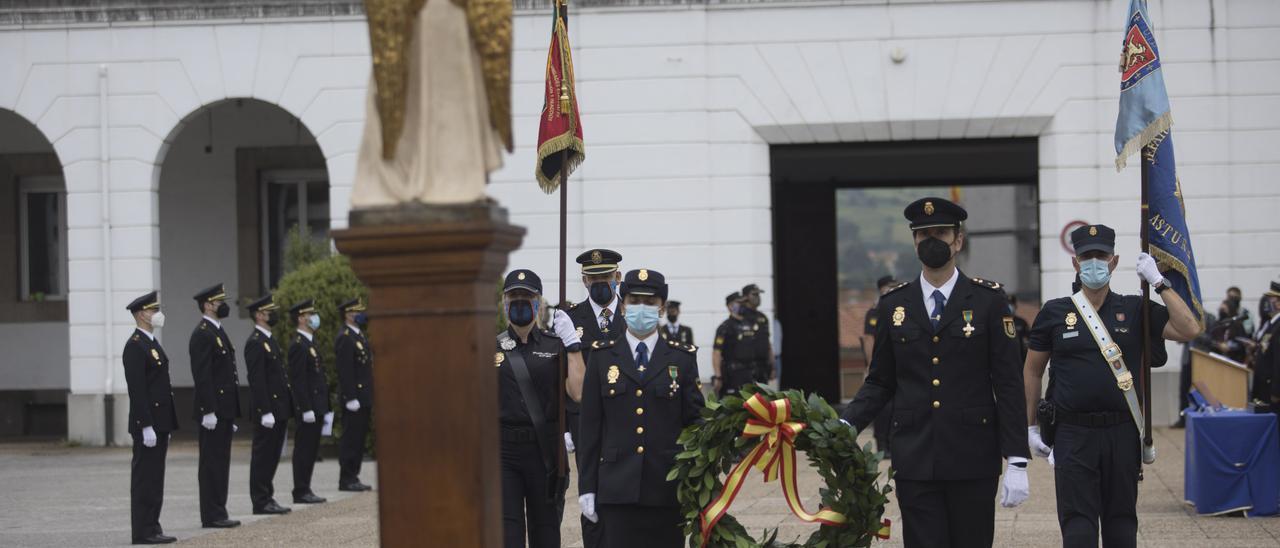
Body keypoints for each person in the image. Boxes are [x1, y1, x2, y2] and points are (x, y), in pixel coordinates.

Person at [841, 197, 1030, 548]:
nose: (932, 241)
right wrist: (846, 423)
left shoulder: (988, 301)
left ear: (958, 241)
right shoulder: (894, 305)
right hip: (915, 457)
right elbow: (881, 380)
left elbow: (1006, 383)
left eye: (941, 233)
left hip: (973, 455)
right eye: (923, 233)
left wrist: (1017, 457)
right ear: (913, 242)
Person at [1023, 224, 1200, 548]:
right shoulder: (1055, 312)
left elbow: (1189, 329)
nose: (1094, 263)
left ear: (1114, 261)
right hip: (1073, 433)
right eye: (1087, 256)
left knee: (1121, 524)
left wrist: (1159, 283)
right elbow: (1033, 370)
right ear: (1076, 263)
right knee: (1078, 526)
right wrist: (1031, 426)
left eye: (1101, 256)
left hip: (1121, 432)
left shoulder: (1134, 309)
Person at [578, 268, 704, 548]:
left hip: (667, 488)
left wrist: (700, 484)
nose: (641, 308)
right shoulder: (601, 356)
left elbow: (696, 425)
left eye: (650, 302)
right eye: (634, 301)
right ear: (622, 306)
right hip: (616, 488)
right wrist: (587, 486)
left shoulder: (682, 359)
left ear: (662, 308)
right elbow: (589, 428)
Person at [496, 269, 586, 548]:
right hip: (503, 454)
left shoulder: (555, 345)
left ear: (539, 303)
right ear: (504, 302)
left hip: (544, 452)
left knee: (545, 532)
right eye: (514, 296)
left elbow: (578, 392)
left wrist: (572, 346)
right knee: (506, 533)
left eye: (527, 296)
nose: (520, 302)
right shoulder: (489, 348)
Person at [562, 248, 625, 548]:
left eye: (606, 276)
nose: (600, 282)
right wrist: (563, 425)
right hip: (585, 425)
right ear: (584, 280)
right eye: (594, 278)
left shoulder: (634, 312)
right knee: (592, 507)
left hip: (625, 421)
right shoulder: (570, 318)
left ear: (618, 277)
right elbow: (559, 375)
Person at [123, 291, 178, 545]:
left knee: (156, 478)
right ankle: (143, 531)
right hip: (148, 423)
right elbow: (138, 390)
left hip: (160, 421)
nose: (157, 313)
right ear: (141, 314)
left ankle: (153, 526)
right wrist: (145, 425)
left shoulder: (152, 343)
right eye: (152, 309)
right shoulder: (135, 346)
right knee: (145, 478)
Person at [188, 283, 241, 529]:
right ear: (208, 305)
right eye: (219, 302)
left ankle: (219, 509)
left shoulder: (217, 331)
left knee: (221, 461)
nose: (223, 306)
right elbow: (203, 376)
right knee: (211, 463)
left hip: (224, 409)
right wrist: (208, 410)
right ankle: (211, 514)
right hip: (213, 410)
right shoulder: (202, 333)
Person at [244, 294, 293, 515]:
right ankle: (260, 499)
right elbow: (257, 380)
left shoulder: (269, 340)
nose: (273, 315)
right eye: (269, 311)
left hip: (278, 408)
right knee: (263, 455)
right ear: (259, 315)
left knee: (272, 455)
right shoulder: (255, 342)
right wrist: (265, 410)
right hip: (268, 410)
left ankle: (268, 496)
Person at [289, 299, 330, 505]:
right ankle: (300, 489)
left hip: (317, 405)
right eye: (309, 314)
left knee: (312, 449)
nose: (314, 317)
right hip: (308, 408)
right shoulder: (298, 345)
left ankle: (306, 487)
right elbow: (298, 380)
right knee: (304, 449)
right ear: (301, 318)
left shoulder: (310, 342)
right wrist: (305, 408)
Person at [335, 298, 374, 492]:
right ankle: (347, 478)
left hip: (364, 396)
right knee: (351, 439)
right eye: (357, 311)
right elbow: (345, 370)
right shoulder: (345, 337)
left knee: (358, 438)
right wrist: (351, 397)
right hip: (354, 398)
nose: (361, 314)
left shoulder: (359, 336)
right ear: (348, 314)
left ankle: (354, 475)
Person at [864, 276, 896, 458]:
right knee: (882, 407)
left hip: (896, 366)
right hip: (880, 366)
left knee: (895, 408)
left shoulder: (896, 309)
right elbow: (869, 339)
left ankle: (892, 443)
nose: (891, 290)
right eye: (888, 287)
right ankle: (882, 443)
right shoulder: (874, 312)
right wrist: (871, 364)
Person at [711, 292, 753, 397]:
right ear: (730, 306)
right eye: (738, 303)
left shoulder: (748, 324)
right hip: (732, 375)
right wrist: (718, 376)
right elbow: (716, 353)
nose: (742, 305)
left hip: (748, 374)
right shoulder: (724, 327)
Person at [1248, 282, 1280, 413]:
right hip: (1264, 388)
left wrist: (1276, 391)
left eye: (1271, 299)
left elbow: (1278, 361)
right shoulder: (1272, 325)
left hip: (1271, 389)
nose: (1267, 303)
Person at [738, 284, 775, 383]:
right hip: (744, 370)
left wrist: (773, 367)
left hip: (762, 368)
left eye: (759, 294)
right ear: (745, 297)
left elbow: (767, 343)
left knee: (762, 398)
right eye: (754, 294)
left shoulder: (762, 317)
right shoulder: (739, 316)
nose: (758, 297)